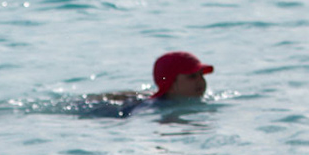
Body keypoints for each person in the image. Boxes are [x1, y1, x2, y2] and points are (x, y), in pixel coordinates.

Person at [74, 50, 216, 116]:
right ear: (171, 85)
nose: (200, 81)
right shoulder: (153, 108)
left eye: (201, 75)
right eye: (191, 77)